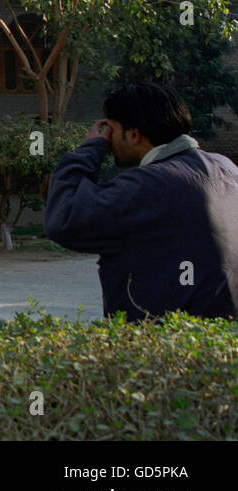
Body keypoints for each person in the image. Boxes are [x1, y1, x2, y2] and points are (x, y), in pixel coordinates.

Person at [44, 83, 238, 322]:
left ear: (134, 135)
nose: (108, 139)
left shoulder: (148, 185)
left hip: (166, 340)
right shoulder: (226, 167)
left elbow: (64, 219)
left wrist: (90, 149)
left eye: (110, 129)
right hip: (221, 333)